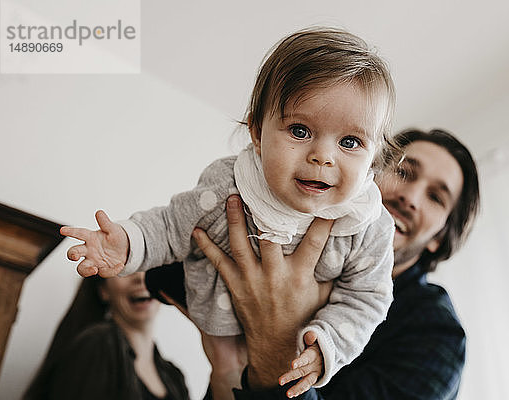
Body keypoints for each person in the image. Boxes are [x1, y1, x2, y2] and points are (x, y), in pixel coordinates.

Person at [60, 27, 398, 397]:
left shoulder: (369, 226)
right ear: (256, 131)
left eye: (350, 142)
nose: (323, 156)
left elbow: (367, 299)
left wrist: (326, 346)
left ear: (374, 157)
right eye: (299, 130)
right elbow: (172, 225)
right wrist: (125, 243)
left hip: (291, 352)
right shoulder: (230, 185)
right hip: (218, 331)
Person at [192, 128, 480, 399]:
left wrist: (275, 345)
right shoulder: (286, 231)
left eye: (435, 197)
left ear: (439, 238)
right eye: (403, 172)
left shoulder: (436, 336)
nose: (410, 197)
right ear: (370, 173)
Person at [22, 273, 189, 400]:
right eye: (124, 270)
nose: (140, 277)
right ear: (103, 291)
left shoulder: (174, 375)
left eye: (149, 266)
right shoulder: (96, 344)